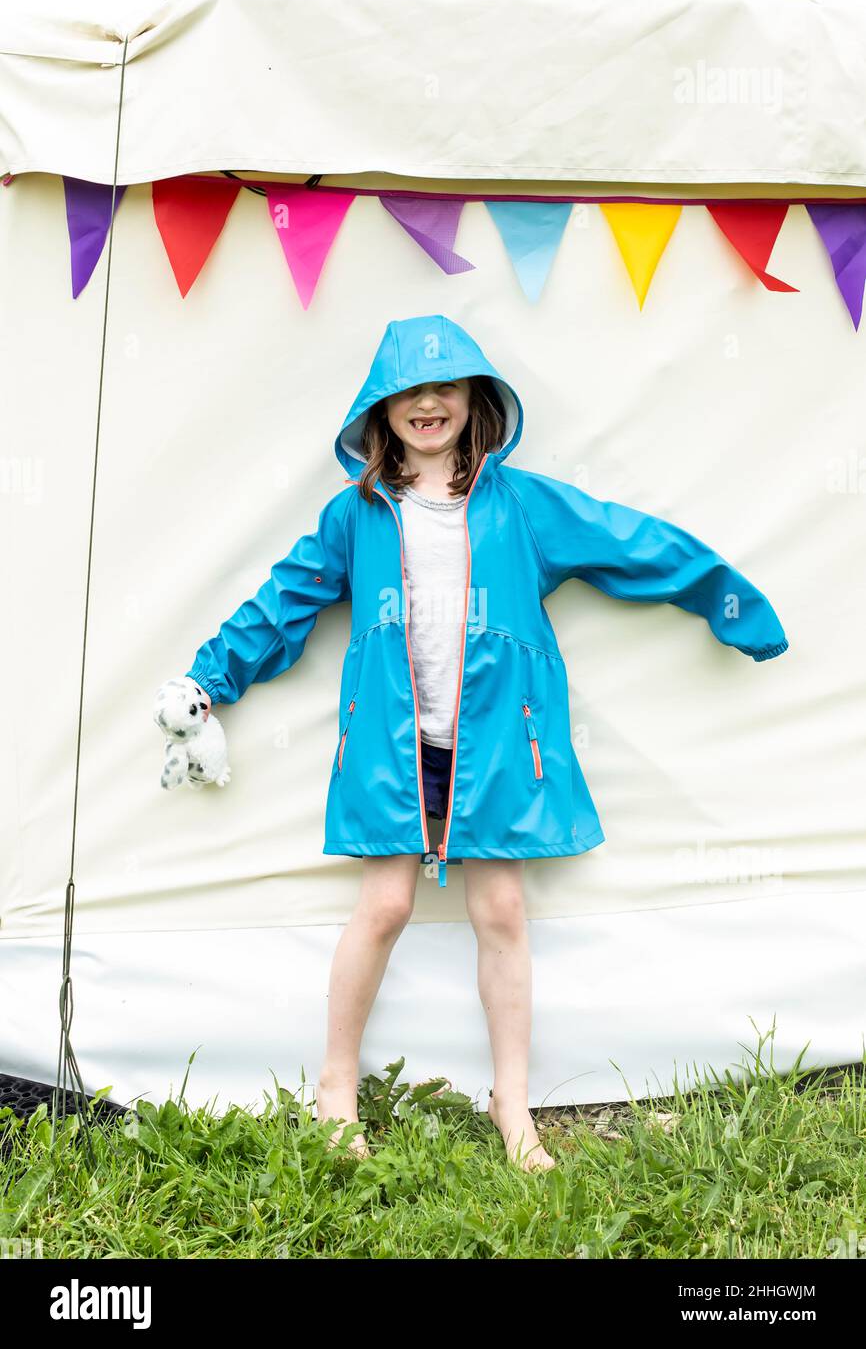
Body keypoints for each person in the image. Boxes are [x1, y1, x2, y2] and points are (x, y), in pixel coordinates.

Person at [176, 314, 789, 1171]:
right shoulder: (353, 516)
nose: (428, 404)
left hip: (500, 744)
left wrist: (733, 604)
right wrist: (208, 683)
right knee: (384, 907)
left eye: (446, 388)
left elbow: (630, 543)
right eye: (409, 393)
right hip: (393, 749)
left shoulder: (524, 505)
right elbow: (282, 606)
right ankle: (335, 1088)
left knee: (501, 910)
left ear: (474, 400)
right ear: (381, 411)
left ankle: (514, 1103)